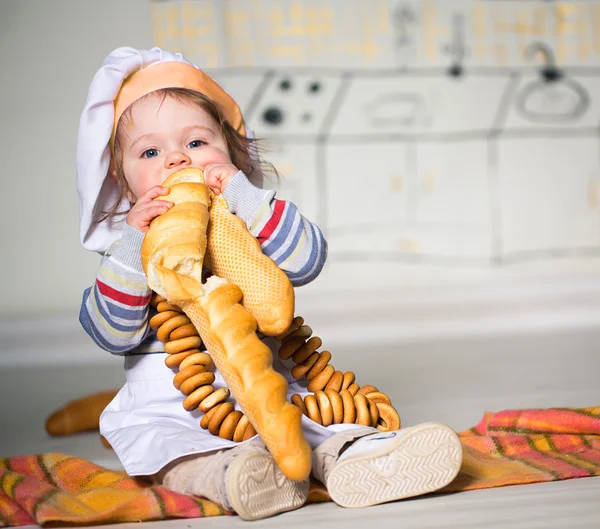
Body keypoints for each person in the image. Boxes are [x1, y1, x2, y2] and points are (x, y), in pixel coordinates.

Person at [77, 47, 462, 521]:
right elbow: (112, 333)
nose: (177, 159)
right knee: (173, 448)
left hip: (267, 380)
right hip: (179, 399)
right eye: (150, 152)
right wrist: (135, 243)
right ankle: (232, 476)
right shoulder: (128, 248)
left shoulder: (248, 215)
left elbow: (307, 260)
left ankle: (360, 457)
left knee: (318, 422)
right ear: (122, 177)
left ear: (231, 149)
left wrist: (243, 194)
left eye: (197, 143)